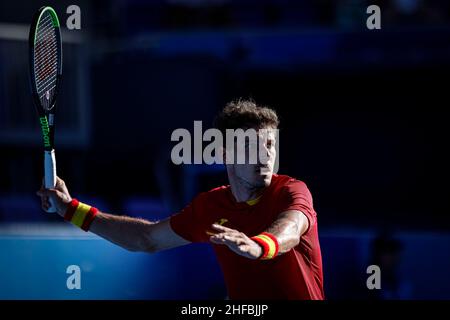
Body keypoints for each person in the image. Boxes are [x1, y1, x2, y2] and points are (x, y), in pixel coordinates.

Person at [36, 99, 325, 300]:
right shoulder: (211, 207)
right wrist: (71, 209)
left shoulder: (292, 190)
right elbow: (146, 239)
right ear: (225, 153)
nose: (265, 156)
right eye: (249, 145)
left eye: (270, 145)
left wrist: (259, 245)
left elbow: (291, 229)